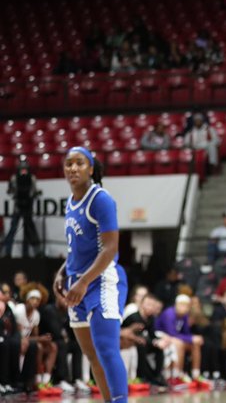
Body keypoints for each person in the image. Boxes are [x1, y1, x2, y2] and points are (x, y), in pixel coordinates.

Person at [54, 147, 128, 403]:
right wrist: (62, 272)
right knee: (93, 355)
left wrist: (84, 281)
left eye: (79, 163)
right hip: (78, 284)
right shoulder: (70, 201)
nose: (73, 168)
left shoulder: (101, 199)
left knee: (107, 349)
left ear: (91, 169)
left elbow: (110, 248)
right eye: (68, 164)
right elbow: (76, 247)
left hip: (102, 280)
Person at [3, 159, 41, 258]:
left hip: (28, 207)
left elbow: (34, 191)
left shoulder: (32, 178)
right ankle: (7, 252)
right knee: (13, 229)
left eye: (25, 168)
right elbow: (10, 191)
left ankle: (27, 253)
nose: (23, 170)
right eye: (22, 168)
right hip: (18, 207)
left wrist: (35, 194)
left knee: (28, 230)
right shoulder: (14, 178)